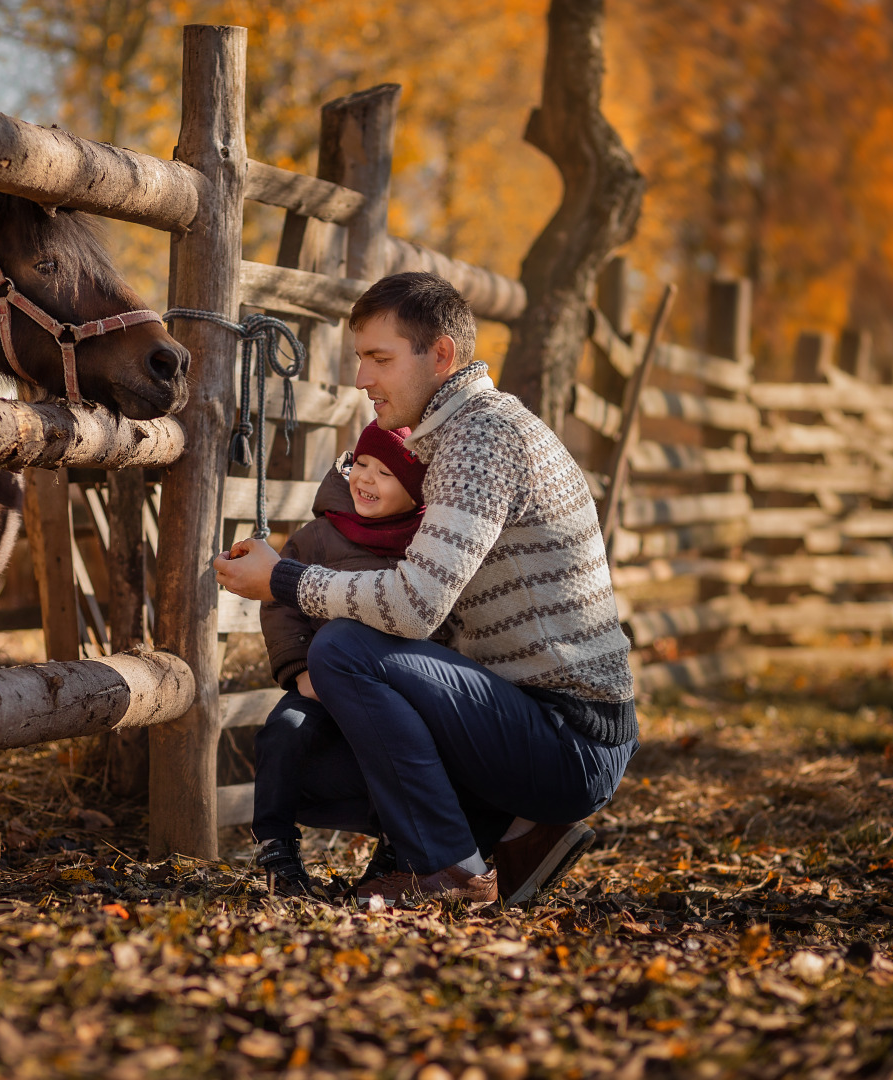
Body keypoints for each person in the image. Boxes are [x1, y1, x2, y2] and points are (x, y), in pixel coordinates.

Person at [214, 272, 639, 906]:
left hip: (569, 735)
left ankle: (451, 867)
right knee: (304, 765)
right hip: (525, 721)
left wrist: (282, 579)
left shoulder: (482, 439)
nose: (362, 379)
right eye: (361, 358)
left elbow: (413, 606)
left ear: (440, 356)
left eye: (379, 358)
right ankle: (512, 834)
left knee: (343, 652)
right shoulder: (453, 440)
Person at [253, 420, 450, 897]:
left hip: (391, 690)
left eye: (385, 473)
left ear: (416, 490)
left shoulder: (428, 546)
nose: (365, 478)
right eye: (361, 463)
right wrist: (299, 669)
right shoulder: (319, 536)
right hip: (319, 683)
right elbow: (280, 601)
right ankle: (275, 845)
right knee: (285, 733)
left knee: (403, 752)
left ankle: (392, 852)